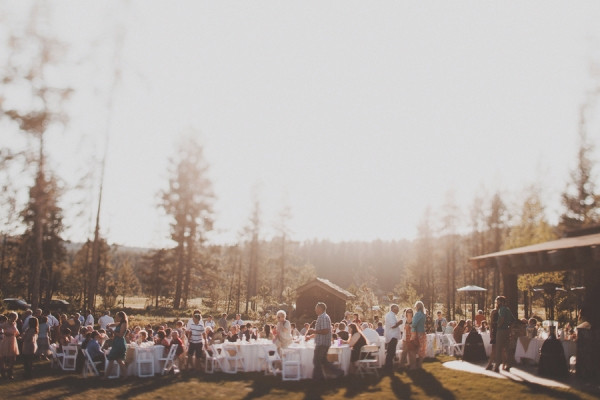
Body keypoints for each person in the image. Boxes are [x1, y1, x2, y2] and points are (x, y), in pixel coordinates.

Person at [307, 302, 343, 380]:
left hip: (322, 343)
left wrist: (314, 331)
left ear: (320, 309)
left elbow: (325, 331)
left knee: (316, 361)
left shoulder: (323, 318)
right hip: (322, 342)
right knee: (323, 361)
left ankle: (318, 378)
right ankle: (338, 372)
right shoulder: (322, 317)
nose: (315, 310)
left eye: (316, 308)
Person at [105, 311, 128, 378]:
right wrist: (109, 325)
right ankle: (125, 376)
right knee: (119, 361)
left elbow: (121, 335)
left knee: (111, 359)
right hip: (116, 342)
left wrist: (113, 332)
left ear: (121, 317)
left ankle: (106, 376)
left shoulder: (124, 324)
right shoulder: (120, 323)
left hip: (119, 343)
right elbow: (113, 324)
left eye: (117, 317)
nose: (116, 318)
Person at [494, 296, 515, 372]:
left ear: (501, 302)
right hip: (507, 330)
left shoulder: (502, 309)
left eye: (498, 301)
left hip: (501, 330)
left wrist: (498, 325)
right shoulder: (508, 309)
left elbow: (502, 319)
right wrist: (510, 329)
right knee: (507, 348)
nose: (497, 303)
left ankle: (497, 365)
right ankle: (508, 364)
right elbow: (513, 320)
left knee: (499, 348)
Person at [384, 304, 403, 371]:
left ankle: (389, 367)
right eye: (397, 309)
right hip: (392, 336)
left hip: (393, 335)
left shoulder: (391, 315)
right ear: (393, 309)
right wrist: (399, 323)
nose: (398, 311)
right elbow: (393, 326)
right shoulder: (390, 315)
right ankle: (388, 367)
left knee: (391, 352)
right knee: (391, 352)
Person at [409, 301, 426, 369]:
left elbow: (414, 324)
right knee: (422, 349)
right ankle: (419, 365)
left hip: (417, 333)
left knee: (413, 349)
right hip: (423, 332)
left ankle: (414, 366)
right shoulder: (423, 314)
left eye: (415, 306)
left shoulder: (418, 314)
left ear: (418, 307)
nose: (415, 308)